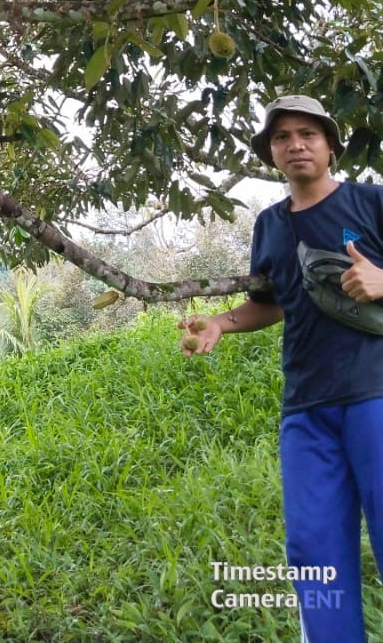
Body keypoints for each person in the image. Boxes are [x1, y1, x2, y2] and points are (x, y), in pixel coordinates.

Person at [179, 94, 383, 643]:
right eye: (282, 137)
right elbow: (273, 302)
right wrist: (221, 322)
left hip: (377, 395)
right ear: (271, 152)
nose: (296, 145)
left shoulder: (371, 202)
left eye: (308, 134)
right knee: (315, 553)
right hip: (307, 410)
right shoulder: (270, 224)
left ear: (331, 146)